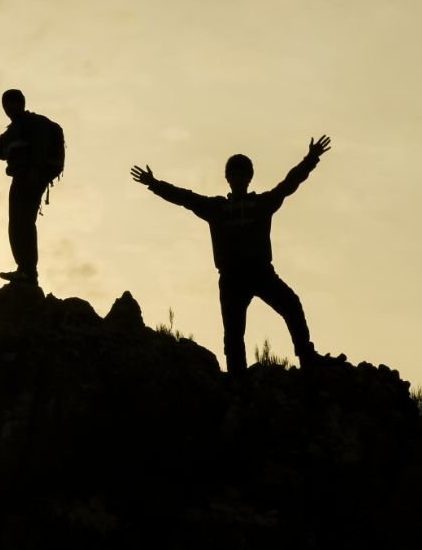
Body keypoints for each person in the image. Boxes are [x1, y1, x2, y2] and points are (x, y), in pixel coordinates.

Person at [130, 135, 333, 374]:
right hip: (232, 278)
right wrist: (154, 184)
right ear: (228, 178)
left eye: (242, 174)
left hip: (261, 273)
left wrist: (311, 159)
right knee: (234, 333)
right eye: (234, 174)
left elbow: (289, 184)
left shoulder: (260, 204)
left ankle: (307, 359)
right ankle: (238, 377)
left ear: (249, 178)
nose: (238, 178)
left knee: (291, 306)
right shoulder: (217, 208)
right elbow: (184, 197)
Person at [0, 88, 64, 286]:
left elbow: (41, 147)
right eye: (5, 104)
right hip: (21, 177)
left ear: (21, 103)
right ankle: (24, 269)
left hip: (31, 176)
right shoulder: (13, 130)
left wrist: (35, 171)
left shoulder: (35, 123)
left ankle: (28, 271)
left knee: (23, 223)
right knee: (17, 224)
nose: (8, 108)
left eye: (12, 103)